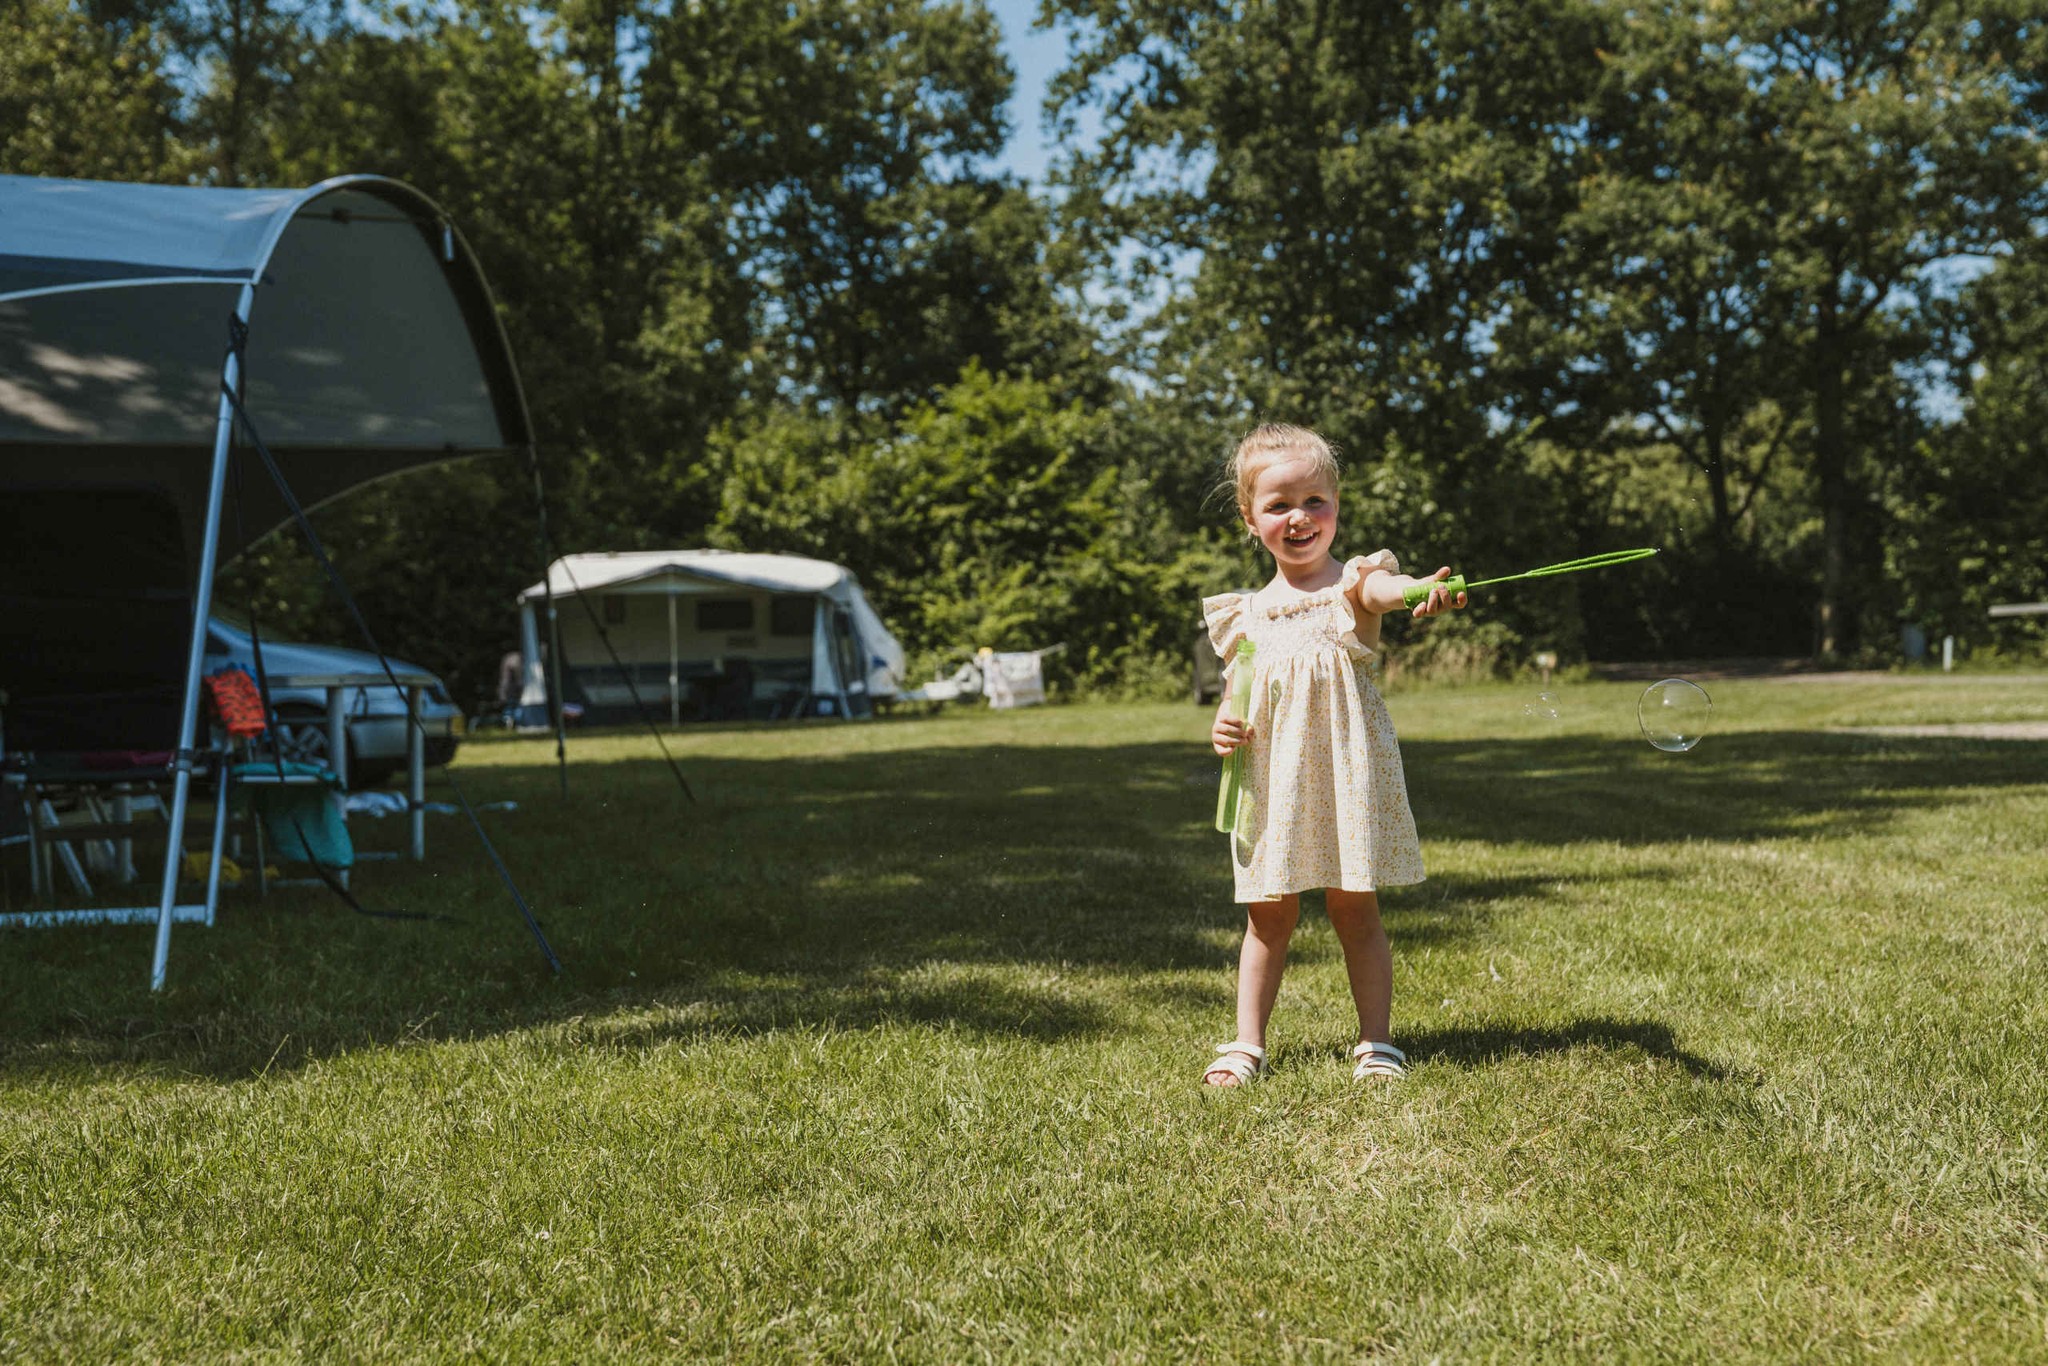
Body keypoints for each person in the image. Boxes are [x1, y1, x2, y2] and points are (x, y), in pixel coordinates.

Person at [1200, 423, 1466, 1087]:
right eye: (1279, 504)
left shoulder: (1354, 584)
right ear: (1249, 516)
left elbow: (1386, 592)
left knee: (1355, 909)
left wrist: (1416, 593)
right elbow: (1238, 694)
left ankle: (1376, 1043)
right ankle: (1245, 1044)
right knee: (1269, 915)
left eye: (1315, 500)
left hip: (1345, 775)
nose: (1300, 517)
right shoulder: (1247, 614)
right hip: (1271, 782)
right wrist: (1223, 727)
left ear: (1337, 505)